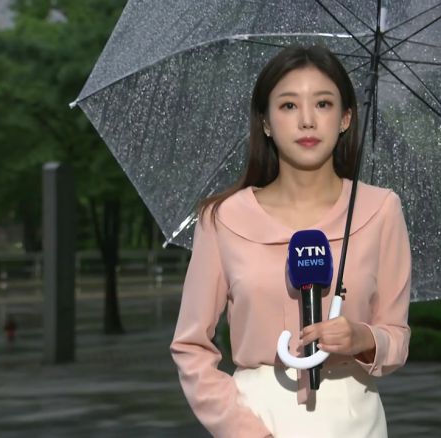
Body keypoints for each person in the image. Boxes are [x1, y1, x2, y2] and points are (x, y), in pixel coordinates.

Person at [170, 45, 411, 438]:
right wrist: (244, 430)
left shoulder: (380, 210)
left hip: (355, 418)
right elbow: (190, 346)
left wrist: (362, 338)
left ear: (346, 118)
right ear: (265, 121)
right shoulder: (223, 218)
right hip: (256, 416)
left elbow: (397, 336)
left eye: (323, 103)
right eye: (288, 106)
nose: (307, 120)